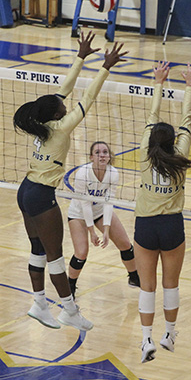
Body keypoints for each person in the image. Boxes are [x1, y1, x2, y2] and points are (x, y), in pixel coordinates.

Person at [13, 31, 126, 332]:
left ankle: (39, 303)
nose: (66, 104)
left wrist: (80, 57)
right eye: (62, 105)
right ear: (57, 112)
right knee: (55, 256)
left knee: (38, 250)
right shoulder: (61, 127)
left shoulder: (44, 122)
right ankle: (69, 309)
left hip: (25, 190)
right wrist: (106, 66)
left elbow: (62, 89)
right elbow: (87, 98)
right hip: (40, 195)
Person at [134, 60, 191, 363]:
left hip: (145, 227)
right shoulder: (181, 154)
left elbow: (152, 115)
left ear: (151, 140)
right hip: (173, 226)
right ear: (173, 141)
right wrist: (190, 84)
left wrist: (158, 81)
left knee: (147, 287)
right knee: (170, 284)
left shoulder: (143, 155)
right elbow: (188, 116)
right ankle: (169, 334)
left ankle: (146, 339)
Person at [66, 140, 139, 296]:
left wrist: (106, 230)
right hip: (79, 214)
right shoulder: (82, 174)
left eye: (105, 152)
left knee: (125, 244)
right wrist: (92, 231)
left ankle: (134, 277)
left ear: (109, 156)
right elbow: (85, 204)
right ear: (91, 157)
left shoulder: (113, 173)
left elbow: (108, 202)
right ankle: (70, 286)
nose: (102, 155)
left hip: (99, 211)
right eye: (98, 153)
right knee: (82, 252)